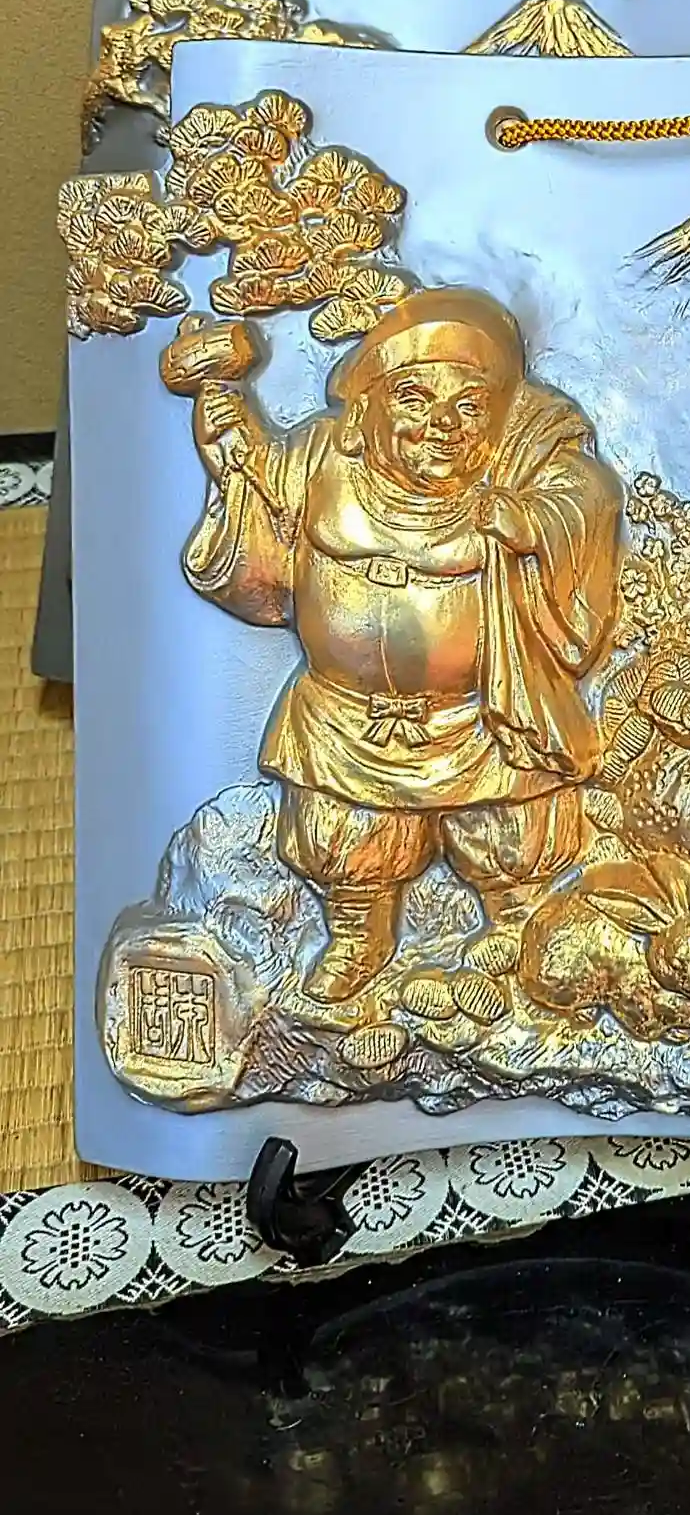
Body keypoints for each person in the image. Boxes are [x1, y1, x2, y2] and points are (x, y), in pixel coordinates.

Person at [164, 289, 623, 1002]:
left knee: (507, 830)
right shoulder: (319, 455)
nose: (442, 424)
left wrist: (529, 522)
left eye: (468, 406)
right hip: (345, 716)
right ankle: (359, 933)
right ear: (368, 406)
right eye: (414, 398)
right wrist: (226, 438)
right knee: (347, 836)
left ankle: (517, 924)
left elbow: (584, 493)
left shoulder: (519, 462)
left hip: (477, 717)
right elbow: (258, 488)